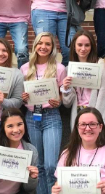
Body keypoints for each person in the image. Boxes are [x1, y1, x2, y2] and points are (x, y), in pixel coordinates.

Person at [52, 108, 105, 194]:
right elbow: (59, 183)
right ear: (77, 127)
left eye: (92, 124)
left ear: (100, 127)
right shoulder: (67, 153)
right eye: (83, 124)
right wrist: (56, 190)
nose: (87, 128)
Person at [20, 32, 66, 194]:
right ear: (35, 46)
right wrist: (24, 98)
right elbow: (22, 95)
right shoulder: (25, 68)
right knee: (37, 165)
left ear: (52, 48)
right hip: (31, 118)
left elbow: (63, 94)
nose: (43, 47)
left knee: (51, 165)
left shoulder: (59, 68)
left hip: (51, 116)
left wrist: (58, 101)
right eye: (40, 43)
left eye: (48, 44)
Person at [61, 29, 105, 132]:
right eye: (79, 45)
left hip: (97, 119)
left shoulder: (100, 65)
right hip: (77, 117)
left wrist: (97, 122)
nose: (83, 49)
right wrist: (66, 88)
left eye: (87, 45)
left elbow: (104, 96)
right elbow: (67, 103)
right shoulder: (69, 69)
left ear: (92, 47)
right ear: (74, 47)